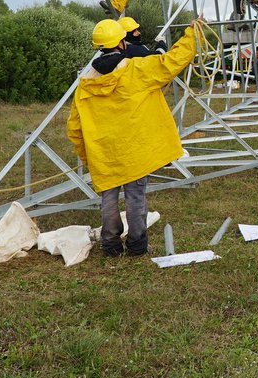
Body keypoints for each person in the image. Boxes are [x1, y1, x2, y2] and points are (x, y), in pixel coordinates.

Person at [67, 17, 204, 256]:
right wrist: (191, 34)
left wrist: (86, 155)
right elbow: (171, 62)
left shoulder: (85, 82)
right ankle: (137, 245)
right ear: (121, 42)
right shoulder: (135, 69)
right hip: (134, 151)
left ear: (99, 46)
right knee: (135, 199)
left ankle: (110, 245)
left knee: (108, 199)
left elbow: (74, 127)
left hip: (104, 154)